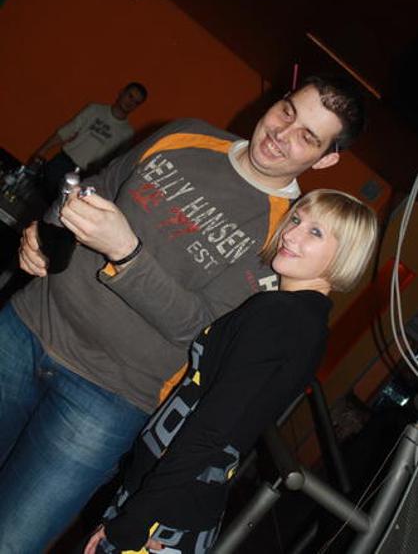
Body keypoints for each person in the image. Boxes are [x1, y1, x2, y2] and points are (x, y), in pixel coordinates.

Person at [0, 75, 364, 553]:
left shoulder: (287, 237)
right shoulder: (186, 134)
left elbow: (200, 329)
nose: (282, 133)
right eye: (287, 112)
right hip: (23, 328)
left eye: (307, 137)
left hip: (106, 399)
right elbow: (95, 187)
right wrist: (44, 235)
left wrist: (127, 252)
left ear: (326, 158)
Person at [81, 189, 378, 554]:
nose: (290, 234)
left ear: (345, 254)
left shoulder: (283, 315)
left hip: (160, 517)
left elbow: (211, 429)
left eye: (315, 232)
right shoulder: (306, 319)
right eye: (296, 220)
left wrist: (136, 519)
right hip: (168, 503)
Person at [32, 82, 148, 200]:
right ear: (122, 92)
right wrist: (41, 151)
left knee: (62, 208)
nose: (130, 103)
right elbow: (67, 131)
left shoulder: (127, 133)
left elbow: (115, 163)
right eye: (130, 96)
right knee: (36, 198)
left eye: (136, 102)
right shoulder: (95, 110)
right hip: (63, 163)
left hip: (85, 177)